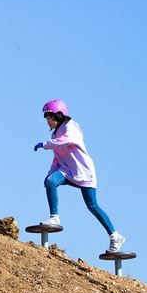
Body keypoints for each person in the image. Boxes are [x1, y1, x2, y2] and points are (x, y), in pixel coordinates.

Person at [34, 99, 125, 253]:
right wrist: (50, 174)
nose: (47, 121)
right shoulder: (55, 134)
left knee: (92, 205)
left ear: (57, 115)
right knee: (51, 181)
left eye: (48, 117)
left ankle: (115, 236)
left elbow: (66, 140)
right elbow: (57, 158)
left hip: (83, 172)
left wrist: (45, 145)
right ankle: (54, 217)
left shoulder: (71, 127)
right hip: (67, 171)